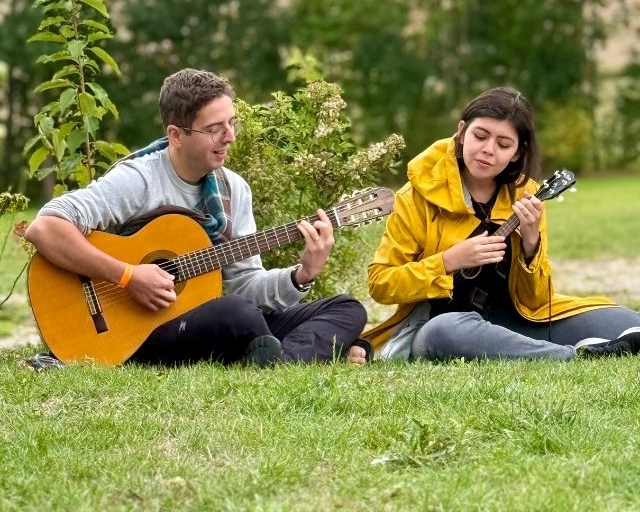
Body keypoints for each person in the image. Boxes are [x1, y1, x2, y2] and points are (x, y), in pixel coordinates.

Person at [25, 68, 369, 367]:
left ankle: (277, 361)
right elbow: (46, 227)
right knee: (237, 315)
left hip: (205, 322)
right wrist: (128, 276)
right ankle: (292, 351)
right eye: (215, 128)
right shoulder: (139, 179)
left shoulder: (234, 190)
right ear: (176, 135)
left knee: (347, 310)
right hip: (137, 327)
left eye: (232, 123)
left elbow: (246, 285)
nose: (230, 137)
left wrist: (302, 274)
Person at [363, 86, 640, 361]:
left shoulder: (526, 194)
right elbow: (380, 283)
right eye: (480, 136)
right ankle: (571, 355)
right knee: (443, 332)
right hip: (445, 326)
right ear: (461, 132)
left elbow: (537, 300)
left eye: (503, 144)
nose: (488, 150)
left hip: (518, 321)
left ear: (517, 152)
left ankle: (533, 346)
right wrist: (448, 261)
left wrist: (531, 245)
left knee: (627, 321)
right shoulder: (415, 196)